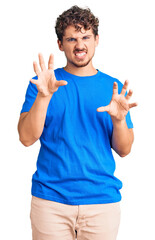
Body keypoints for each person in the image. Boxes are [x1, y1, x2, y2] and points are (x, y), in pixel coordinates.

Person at [18, 5, 137, 240]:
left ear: (96, 40)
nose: (80, 45)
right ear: (60, 44)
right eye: (71, 39)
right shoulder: (42, 83)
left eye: (85, 37)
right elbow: (25, 138)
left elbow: (124, 150)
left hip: (101, 202)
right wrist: (43, 97)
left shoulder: (111, 87)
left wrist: (119, 121)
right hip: (50, 201)